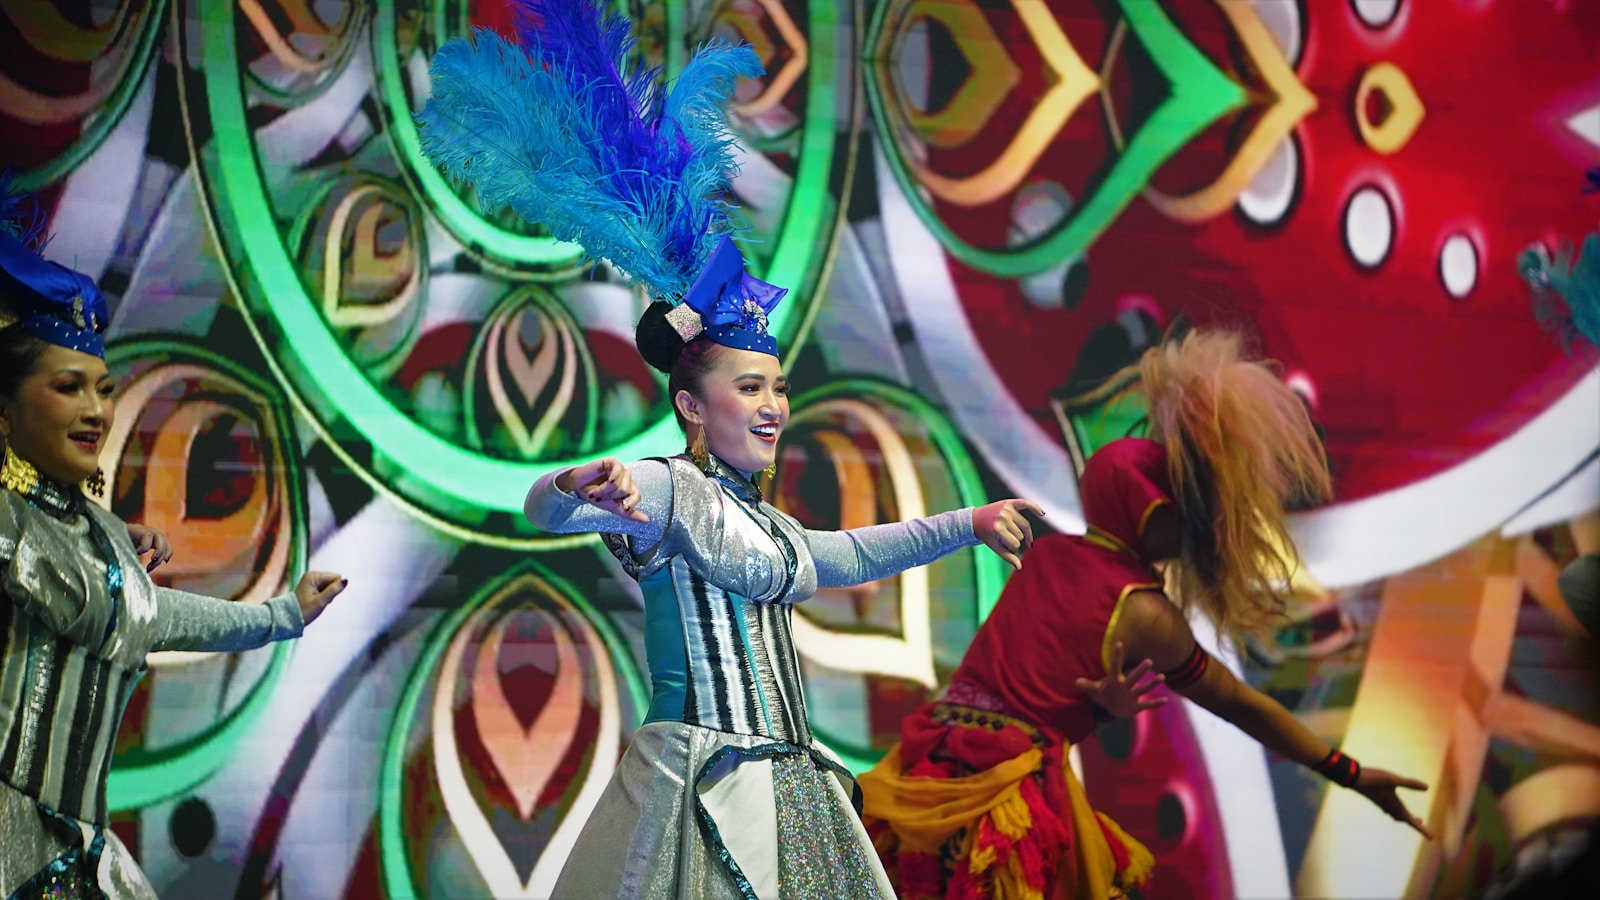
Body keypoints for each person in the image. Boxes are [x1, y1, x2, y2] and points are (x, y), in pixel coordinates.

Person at [411, 3, 1161, 894]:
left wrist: (970, 519)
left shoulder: (760, 521)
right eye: (750, 388)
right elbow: (547, 506)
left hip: (793, 787)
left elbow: (843, 555)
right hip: (704, 789)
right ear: (692, 406)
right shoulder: (667, 488)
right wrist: (578, 483)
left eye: (777, 386)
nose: (774, 405)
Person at [858, 329, 1434, 899]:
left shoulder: (1051, 556)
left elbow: (1034, 681)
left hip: (932, 763)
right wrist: (1349, 772)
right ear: (1150, 509)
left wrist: (1097, 712)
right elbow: (1239, 704)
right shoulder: (1144, 611)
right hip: (1002, 801)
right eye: (1175, 502)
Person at [0, 179, 348, 898]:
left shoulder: (98, 533)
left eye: (102, 387)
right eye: (68, 388)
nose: (98, 409)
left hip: (81, 862)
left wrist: (284, 614)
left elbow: (163, 617)